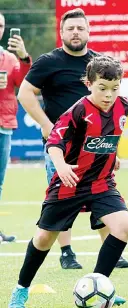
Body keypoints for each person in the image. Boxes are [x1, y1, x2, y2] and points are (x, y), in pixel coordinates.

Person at [8, 55, 128, 308]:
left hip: (102, 183)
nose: (108, 95)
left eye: (114, 88)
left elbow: (110, 136)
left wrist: (113, 155)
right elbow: (54, 141)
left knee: (123, 226)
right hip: (70, 182)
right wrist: (62, 166)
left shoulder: (124, 106)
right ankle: (21, 288)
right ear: (88, 83)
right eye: (102, 88)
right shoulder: (78, 110)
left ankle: (99, 286)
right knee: (44, 238)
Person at [17, 8, 128, 269]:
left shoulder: (99, 64)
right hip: (62, 146)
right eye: (70, 28)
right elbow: (25, 93)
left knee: (102, 191)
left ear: (88, 31)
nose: (75, 32)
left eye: (80, 28)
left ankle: (110, 248)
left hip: (96, 147)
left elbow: (112, 114)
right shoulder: (48, 62)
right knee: (62, 198)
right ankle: (67, 252)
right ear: (62, 33)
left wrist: (114, 151)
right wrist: (46, 125)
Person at [0, 12, 32, 242]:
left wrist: (24, 57)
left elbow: (28, 85)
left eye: (0, 25)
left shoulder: (10, 59)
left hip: (4, 125)